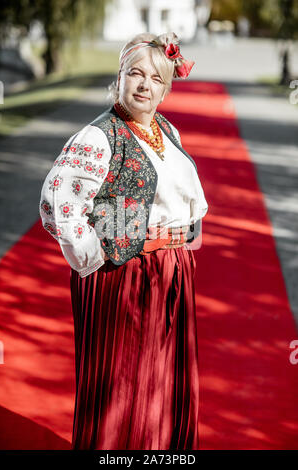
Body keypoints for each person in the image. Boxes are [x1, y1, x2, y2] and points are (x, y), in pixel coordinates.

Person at [39, 31, 208, 450]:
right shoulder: (99, 136)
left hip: (170, 270)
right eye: (135, 73)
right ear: (120, 78)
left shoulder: (166, 129)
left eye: (155, 78)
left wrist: (184, 243)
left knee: (162, 379)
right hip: (123, 275)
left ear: (166, 88)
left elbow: (183, 198)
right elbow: (57, 201)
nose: (145, 85)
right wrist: (96, 256)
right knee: (122, 381)